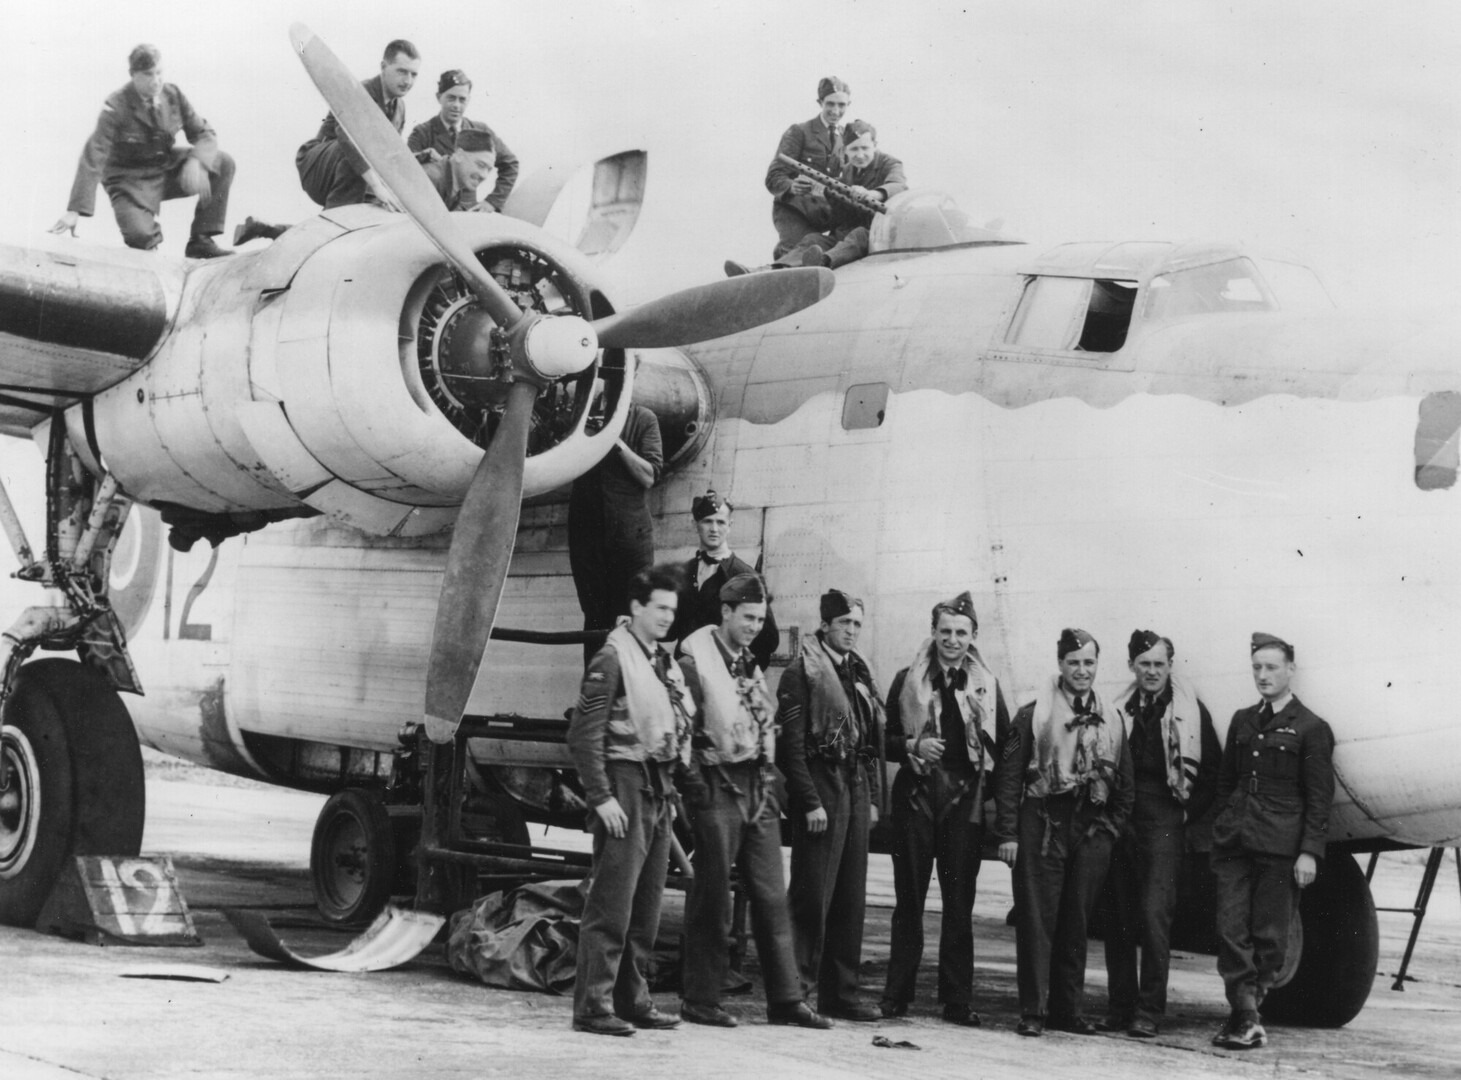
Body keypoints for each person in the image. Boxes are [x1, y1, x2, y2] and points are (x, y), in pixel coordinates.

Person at [677, 573, 831, 1030]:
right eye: (747, 618)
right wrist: (697, 792)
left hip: (757, 787)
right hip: (718, 785)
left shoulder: (747, 663)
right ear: (724, 613)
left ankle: (786, 999)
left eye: (760, 619)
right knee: (712, 899)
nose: (754, 627)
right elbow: (682, 733)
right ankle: (701, 998)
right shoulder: (694, 664)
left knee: (770, 895)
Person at [566, 564, 695, 1037]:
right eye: (659, 608)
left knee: (646, 906)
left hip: (658, 790)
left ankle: (632, 999)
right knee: (612, 904)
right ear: (637, 607)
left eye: (672, 610)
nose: (667, 617)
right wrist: (600, 797)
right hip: (624, 785)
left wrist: (672, 793)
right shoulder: (613, 660)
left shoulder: (658, 660)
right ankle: (593, 1006)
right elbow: (583, 735)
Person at [994, 628, 1133, 1037]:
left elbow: (1125, 786)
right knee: (1038, 920)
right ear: (1060, 665)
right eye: (1073, 662)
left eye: (1089, 662)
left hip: (1090, 827)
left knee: (1077, 921)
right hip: (1044, 822)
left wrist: (1109, 831)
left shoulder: (1113, 717)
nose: (1081, 671)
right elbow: (1008, 777)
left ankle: (1066, 1011)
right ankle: (1033, 1011)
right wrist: (1008, 833)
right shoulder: (1033, 713)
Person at [879, 591, 1009, 1026]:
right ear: (932, 634)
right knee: (908, 902)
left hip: (963, 806)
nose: (952, 640)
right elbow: (884, 740)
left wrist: (979, 791)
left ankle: (957, 1000)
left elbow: (1003, 748)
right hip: (916, 799)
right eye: (945, 632)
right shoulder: (907, 681)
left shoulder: (987, 687)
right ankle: (897, 995)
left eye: (961, 633)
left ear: (973, 637)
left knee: (959, 905)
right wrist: (914, 745)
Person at [1209, 632, 1334, 1051]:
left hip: (1280, 846)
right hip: (1235, 841)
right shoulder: (1243, 719)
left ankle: (1246, 1010)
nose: (1263, 676)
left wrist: (1309, 852)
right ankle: (1245, 1014)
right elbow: (1228, 781)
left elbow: (1319, 799)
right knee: (1229, 928)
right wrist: (1223, 825)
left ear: (1290, 671)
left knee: (1270, 934)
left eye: (1271, 668)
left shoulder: (1312, 728)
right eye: (1257, 668)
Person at [1099, 630, 1221, 1038]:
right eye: (1144, 664)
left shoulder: (1189, 711)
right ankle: (1119, 1006)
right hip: (1121, 819)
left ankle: (1148, 1011)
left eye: (1159, 664)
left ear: (1171, 666)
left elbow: (1213, 774)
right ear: (1132, 666)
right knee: (1116, 917)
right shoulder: (1118, 709)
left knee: (1154, 918)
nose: (1152, 672)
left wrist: (1186, 816)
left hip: (1164, 819)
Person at [775, 589, 885, 1022]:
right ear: (825, 625)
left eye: (857, 624)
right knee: (811, 896)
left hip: (854, 789)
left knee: (850, 897)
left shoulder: (858, 670)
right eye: (844, 624)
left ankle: (841, 992)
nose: (851, 631)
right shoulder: (802, 673)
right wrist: (809, 802)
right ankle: (794, 992)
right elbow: (791, 749)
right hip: (822, 790)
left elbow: (869, 740)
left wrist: (873, 797)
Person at [53, 44, 235, 259]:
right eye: (148, 74)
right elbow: (94, 154)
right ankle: (151, 250)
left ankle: (201, 240)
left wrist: (197, 162)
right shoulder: (116, 105)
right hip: (128, 181)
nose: (156, 80)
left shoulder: (173, 95)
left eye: (159, 73)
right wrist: (74, 210)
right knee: (139, 236)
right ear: (133, 75)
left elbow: (204, 133)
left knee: (222, 162)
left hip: (165, 169)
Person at [568, 401, 664, 664]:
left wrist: (615, 442)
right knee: (595, 619)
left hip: (631, 539)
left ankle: (630, 695)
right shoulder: (580, 416)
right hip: (587, 538)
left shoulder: (644, 418)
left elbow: (649, 475)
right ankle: (597, 696)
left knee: (632, 615)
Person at [296, 39, 421, 209]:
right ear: (383, 67)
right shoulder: (360, 92)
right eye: (402, 71)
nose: (408, 81)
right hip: (318, 165)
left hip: (349, 172)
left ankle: (272, 229)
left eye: (413, 74)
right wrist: (377, 186)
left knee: (380, 205)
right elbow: (347, 139)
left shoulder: (399, 108)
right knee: (358, 148)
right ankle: (338, 216)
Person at [668, 491, 779, 671]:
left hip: (723, 675)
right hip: (685, 676)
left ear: (730, 525)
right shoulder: (683, 573)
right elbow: (670, 630)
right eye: (707, 521)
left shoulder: (746, 575)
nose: (714, 529)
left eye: (720, 522)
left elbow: (768, 641)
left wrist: (741, 676)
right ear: (695, 525)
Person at [763, 77, 851, 258]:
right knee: (796, 257)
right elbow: (774, 176)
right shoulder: (799, 132)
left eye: (841, 105)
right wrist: (791, 186)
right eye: (830, 104)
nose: (836, 111)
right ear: (820, 103)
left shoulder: (848, 138)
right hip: (796, 212)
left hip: (825, 214)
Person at [407, 70, 520, 212]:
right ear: (439, 97)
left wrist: (492, 202)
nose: (456, 105)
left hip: (468, 210)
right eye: (451, 98)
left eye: (462, 99)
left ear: (468, 100)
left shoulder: (482, 132)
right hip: (435, 209)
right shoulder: (422, 132)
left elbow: (510, 164)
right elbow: (408, 171)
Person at [420, 127, 500, 211]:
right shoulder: (430, 179)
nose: (484, 175)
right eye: (481, 165)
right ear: (459, 155)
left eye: (489, 170)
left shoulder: (456, 185)